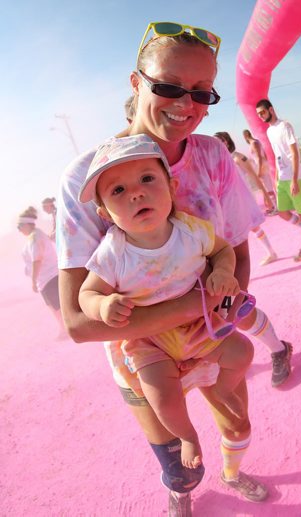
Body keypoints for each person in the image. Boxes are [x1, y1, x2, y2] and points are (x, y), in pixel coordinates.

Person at [58, 22, 291, 514]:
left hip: (212, 334)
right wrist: (192, 311)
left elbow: (237, 252)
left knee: (237, 426)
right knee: (180, 463)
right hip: (143, 361)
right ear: (136, 81)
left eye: (202, 93)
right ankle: (181, 493)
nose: (186, 105)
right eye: (168, 87)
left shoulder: (211, 155)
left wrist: (216, 323)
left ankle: (233, 473)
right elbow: (80, 323)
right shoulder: (88, 177)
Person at [78, 134, 255, 469]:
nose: (136, 193)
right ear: (105, 213)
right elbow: (86, 293)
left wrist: (222, 271)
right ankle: (188, 435)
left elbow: (222, 250)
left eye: (147, 179)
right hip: (151, 341)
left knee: (243, 352)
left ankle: (222, 389)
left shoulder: (191, 230)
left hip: (200, 324)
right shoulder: (113, 252)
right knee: (160, 395)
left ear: (172, 187)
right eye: (118, 191)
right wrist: (102, 306)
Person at [255, 99, 301, 262]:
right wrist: (276, 176)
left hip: (295, 177)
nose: (261, 116)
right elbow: (278, 154)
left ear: (271, 109)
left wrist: (295, 179)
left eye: (262, 112)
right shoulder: (270, 131)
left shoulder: (285, 126)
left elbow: (295, 153)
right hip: (282, 178)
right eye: (258, 114)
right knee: (282, 213)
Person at [214, 131, 278, 265]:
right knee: (245, 230)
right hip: (231, 202)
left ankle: (271, 252)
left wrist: (266, 196)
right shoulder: (222, 161)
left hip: (244, 200)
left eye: (218, 141)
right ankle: (270, 252)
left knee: (253, 227)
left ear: (225, 142)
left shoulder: (238, 158)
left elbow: (254, 177)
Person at [18, 206, 66, 338]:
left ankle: (67, 330)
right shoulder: (34, 236)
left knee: (57, 306)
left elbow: (36, 260)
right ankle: (63, 330)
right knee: (53, 306)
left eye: (20, 226)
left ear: (28, 224)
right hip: (45, 279)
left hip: (49, 277)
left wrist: (33, 281)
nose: (19, 229)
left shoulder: (36, 236)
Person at [242, 128, 277, 214]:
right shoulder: (255, 142)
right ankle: (271, 206)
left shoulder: (254, 143)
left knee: (267, 187)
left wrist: (259, 170)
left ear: (245, 136)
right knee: (265, 187)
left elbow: (260, 157)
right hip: (260, 165)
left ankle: (274, 207)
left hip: (261, 166)